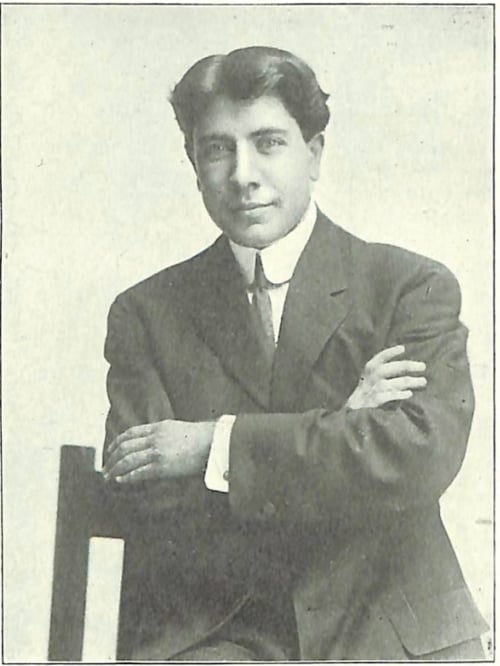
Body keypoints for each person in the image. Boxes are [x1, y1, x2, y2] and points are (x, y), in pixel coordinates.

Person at [102, 46, 487, 660]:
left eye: (269, 143)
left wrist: (211, 447)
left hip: (388, 628)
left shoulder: (408, 287)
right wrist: (343, 425)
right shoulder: (146, 313)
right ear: (193, 165)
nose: (242, 174)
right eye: (217, 148)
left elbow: (418, 456)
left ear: (315, 153)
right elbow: (150, 506)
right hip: (223, 634)